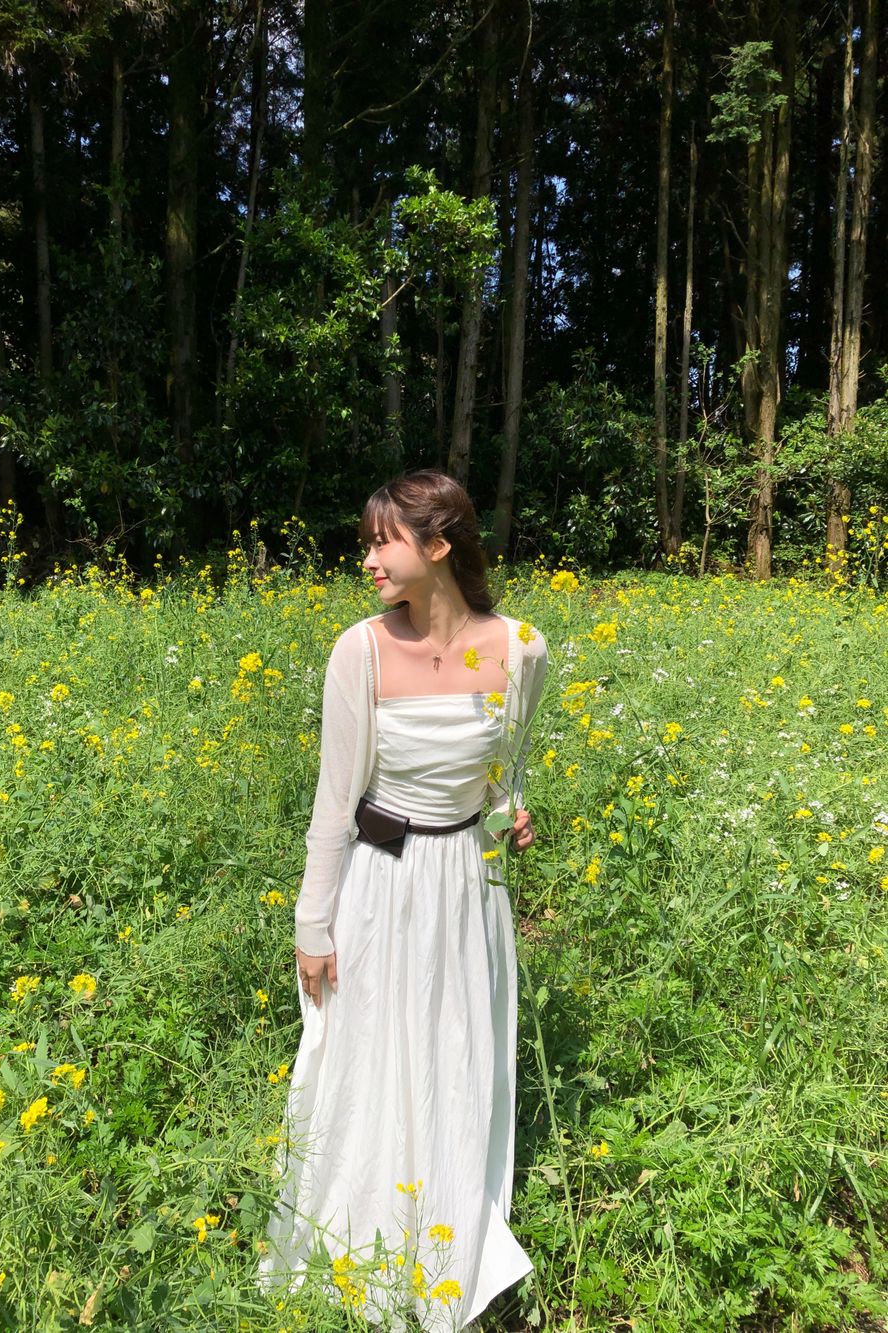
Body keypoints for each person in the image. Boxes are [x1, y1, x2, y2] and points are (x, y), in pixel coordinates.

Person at [260, 471, 547, 1330]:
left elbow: (503, 771)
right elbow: (333, 801)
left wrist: (509, 813)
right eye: (368, 543)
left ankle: (449, 1239)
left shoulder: (519, 647)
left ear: (440, 544)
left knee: (456, 1054)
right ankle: (361, 1243)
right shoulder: (361, 651)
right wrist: (313, 924)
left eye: (382, 541)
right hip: (379, 883)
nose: (368, 560)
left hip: (467, 887)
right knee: (368, 1058)